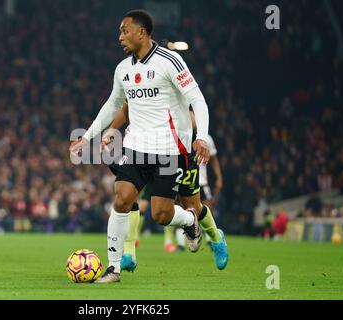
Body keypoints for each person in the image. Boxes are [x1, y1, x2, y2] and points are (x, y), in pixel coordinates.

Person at [70, 10, 210, 283]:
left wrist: (201, 135)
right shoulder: (123, 68)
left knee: (161, 214)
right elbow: (112, 103)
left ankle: (190, 221)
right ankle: (113, 268)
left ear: (141, 32)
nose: (120, 37)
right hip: (135, 147)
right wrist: (87, 136)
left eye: (124, 31)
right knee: (122, 198)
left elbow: (198, 100)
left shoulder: (170, 61)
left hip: (169, 150)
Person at [104, 102, 228, 271]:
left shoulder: (174, 90)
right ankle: (129, 253)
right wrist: (113, 129)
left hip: (181, 155)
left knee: (192, 206)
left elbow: (193, 118)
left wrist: (192, 130)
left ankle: (216, 238)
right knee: (130, 196)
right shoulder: (145, 88)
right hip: (148, 153)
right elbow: (128, 106)